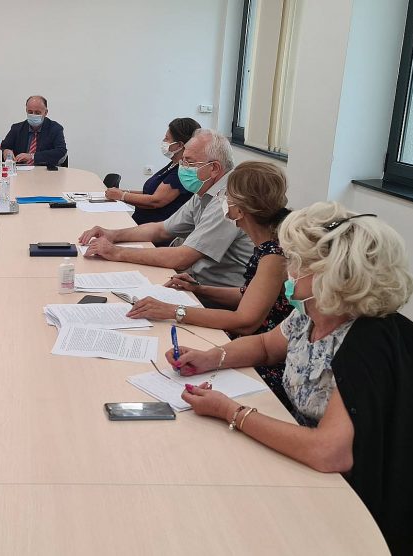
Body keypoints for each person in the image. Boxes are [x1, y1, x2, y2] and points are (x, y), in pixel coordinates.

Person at [168, 202, 413, 554]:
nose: (288, 269)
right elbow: (266, 346)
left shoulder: (369, 344)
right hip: (303, 465)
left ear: (330, 273)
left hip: (350, 502)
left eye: (295, 261)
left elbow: (329, 453)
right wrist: (211, 357)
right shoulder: (315, 312)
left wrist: (231, 412)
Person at [126, 162, 293, 406]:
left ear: (239, 209)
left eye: (227, 196)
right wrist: (199, 289)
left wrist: (173, 311)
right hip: (256, 343)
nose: (223, 201)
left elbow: (245, 321)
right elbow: (251, 295)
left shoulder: (274, 255)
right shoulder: (268, 243)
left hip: (266, 357)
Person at [79, 128, 254, 289]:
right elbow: (162, 229)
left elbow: (182, 258)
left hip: (216, 294)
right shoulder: (204, 190)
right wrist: (112, 235)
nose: (182, 167)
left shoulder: (228, 200)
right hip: (194, 282)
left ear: (214, 168)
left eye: (189, 162)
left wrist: (116, 252)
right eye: (183, 160)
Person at [106, 118, 201, 225]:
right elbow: (149, 193)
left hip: (154, 228)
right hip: (141, 223)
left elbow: (155, 201)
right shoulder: (173, 164)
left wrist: (122, 196)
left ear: (179, 145)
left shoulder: (183, 172)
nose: (163, 141)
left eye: (167, 138)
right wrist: (122, 192)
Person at [1, 95, 68, 167]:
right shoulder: (17, 128)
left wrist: (32, 156)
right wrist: (6, 151)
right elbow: (3, 147)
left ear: (45, 112)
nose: (33, 115)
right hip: (21, 171)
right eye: (30, 112)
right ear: (26, 110)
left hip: (45, 171)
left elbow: (61, 151)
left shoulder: (55, 129)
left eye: (37, 113)